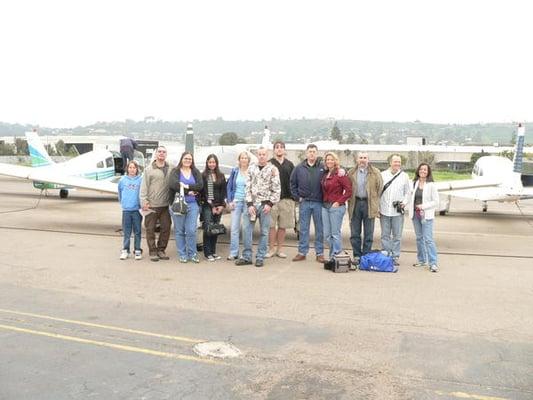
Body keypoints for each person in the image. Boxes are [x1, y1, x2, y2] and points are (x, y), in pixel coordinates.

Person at [235, 147, 280, 268]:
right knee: (246, 230)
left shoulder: (273, 169)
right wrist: (249, 204)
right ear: (257, 155)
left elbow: (276, 189)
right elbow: (247, 187)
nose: (261, 156)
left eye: (264, 154)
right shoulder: (251, 168)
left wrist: (270, 204)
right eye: (259, 154)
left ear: (267, 155)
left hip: (265, 206)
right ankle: (247, 256)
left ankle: (260, 256)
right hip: (252, 205)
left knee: (264, 232)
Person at [290, 144, 326, 263]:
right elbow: (292, 183)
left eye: (314, 152)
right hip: (304, 202)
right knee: (303, 229)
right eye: (310, 151)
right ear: (306, 153)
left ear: (317, 153)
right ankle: (302, 252)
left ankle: (319, 253)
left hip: (318, 203)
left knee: (319, 229)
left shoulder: (322, 167)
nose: (312, 154)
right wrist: (297, 197)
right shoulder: (299, 168)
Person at [347, 152, 383, 264]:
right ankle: (357, 255)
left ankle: (366, 256)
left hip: (369, 204)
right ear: (357, 160)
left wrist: (375, 202)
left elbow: (380, 188)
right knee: (355, 233)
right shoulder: (351, 173)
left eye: (365, 158)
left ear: (368, 159)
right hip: (355, 204)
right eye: (360, 158)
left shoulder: (375, 172)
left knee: (369, 232)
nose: (362, 160)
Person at [168, 152, 203, 263]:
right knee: (179, 231)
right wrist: (190, 191)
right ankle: (182, 254)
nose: (188, 160)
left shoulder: (195, 172)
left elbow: (200, 185)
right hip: (178, 204)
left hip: (193, 205)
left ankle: (192, 253)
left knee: (191, 230)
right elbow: (173, 185)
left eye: (190, 159)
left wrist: (186, 186)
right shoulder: (175, 171)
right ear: (181, 159)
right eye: (185, 158)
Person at [140, 146, 172, 262]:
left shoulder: (171, 168)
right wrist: (144, 201)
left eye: (164, 152)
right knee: (150, 229)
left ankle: (161, 250)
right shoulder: (149, 169)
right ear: (156, 154)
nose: (161, 154)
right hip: (151, 205)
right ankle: (153, 251)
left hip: (165, 205)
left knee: (166, 228)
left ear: (166, 154)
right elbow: (144, 187)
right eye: (159, 152)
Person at [379, 154, 411, 266]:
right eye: (395, 161)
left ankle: (395, 256)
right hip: (384, 210)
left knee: (397, 235)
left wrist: (404, 202)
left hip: (397, 211)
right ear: (390, 162)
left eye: (399, 162)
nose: (397, 164)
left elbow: (408, 192)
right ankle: (386, 254)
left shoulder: (404, 176)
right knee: (385, 235)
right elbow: (378, 192)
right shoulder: (382, 175)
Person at [408, 163, 440, 272]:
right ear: (418, 171)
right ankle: (421, 260)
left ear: (428, 172)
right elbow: (409, 197)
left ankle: (433, 263)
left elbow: (436, 202)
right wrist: (403, 204)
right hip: (415, 215)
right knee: (419, 238)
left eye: (425, 170)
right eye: (421, 169)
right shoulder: (414, 183)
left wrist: (423, 206)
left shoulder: (431, 185)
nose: (423, 171)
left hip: (426, 216)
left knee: (428, 239)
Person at [266, 141, 295, 259]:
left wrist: (295, 196)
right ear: (274, 150)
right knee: (271, 226)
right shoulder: (269, 164)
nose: (279, 149)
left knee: (283, 226)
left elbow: (294, 182)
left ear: (284, 150)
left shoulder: (290, 164)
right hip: (272, 200)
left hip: (286, 199)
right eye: (277, 147)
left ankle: (280, 249)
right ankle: (271, 249)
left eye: (281, 147)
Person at [321, 152, 352, 261]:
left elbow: (348, 191)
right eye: (327, 159)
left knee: (335, 233)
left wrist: (338, 202)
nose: (329, 161)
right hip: (325, 206)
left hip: (336, 207)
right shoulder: (325, 174)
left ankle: (335, 256)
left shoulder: (340, 174)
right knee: (326, 235)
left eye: (331, 159)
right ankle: (334, 254)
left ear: (335, 161)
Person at [200, 154, 227, 262]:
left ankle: (213, 251)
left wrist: (221, 205)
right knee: (208, 228)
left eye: (214, 162)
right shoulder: (203, 175)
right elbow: (203, 192)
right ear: (207, 163)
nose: (212, 164)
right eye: (210, 162)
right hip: (208, 206)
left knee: (215, 229)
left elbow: (223, 191)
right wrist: (211, 206)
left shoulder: (221, 175)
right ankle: (207, 253)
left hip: (219, 205)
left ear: (216, 163)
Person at [226, 151, 251, 260]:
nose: (244, 160)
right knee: (234, 228)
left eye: (246, 158)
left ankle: (246, 253)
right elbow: (229, 186)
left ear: (248, 160)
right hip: (236, 201)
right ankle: (233, 252)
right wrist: (230, 200)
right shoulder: (235, 171)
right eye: (242, 158)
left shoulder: (251, 171)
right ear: (239, 160)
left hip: (247, 202)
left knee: (246, 228)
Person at [118, 160, 143, 260]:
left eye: (134, 168)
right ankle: (125, 250)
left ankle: (137, 250)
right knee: (127, 231)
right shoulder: (122, 180)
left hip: (137, 210)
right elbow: (120, 192)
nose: (132, 169)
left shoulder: (140, 180)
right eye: (130, 167)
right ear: (127, 169)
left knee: (137, 231)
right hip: (126, 210)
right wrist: (123, 203)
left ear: (137, 169)